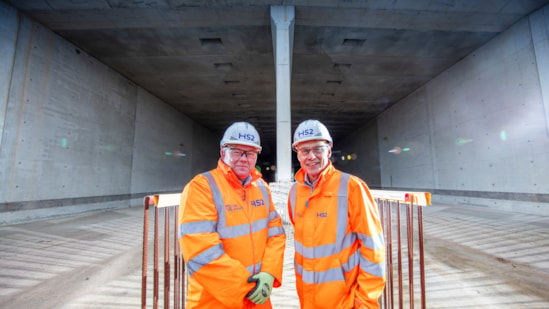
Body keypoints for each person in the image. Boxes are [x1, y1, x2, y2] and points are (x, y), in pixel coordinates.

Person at [178, 122, 286, 308]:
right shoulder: (202, 187)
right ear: (222, 152)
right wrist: (246, 287)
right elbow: (201, 250)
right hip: (216, 300)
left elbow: (275, 234)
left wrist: (269, 272)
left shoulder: (261, 187)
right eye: (236, 151)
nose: (244, 159)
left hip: (258, 297)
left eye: (250, 153)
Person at [287, 119, 386, 309]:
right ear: (298, 154)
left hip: (345, 301)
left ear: (329, 151)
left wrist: (365, 302)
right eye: (305, 151)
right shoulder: (294, 193)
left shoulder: (352, 187)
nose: (311, 156)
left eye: (318, 149)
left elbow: (373, 248)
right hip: (307, 299)